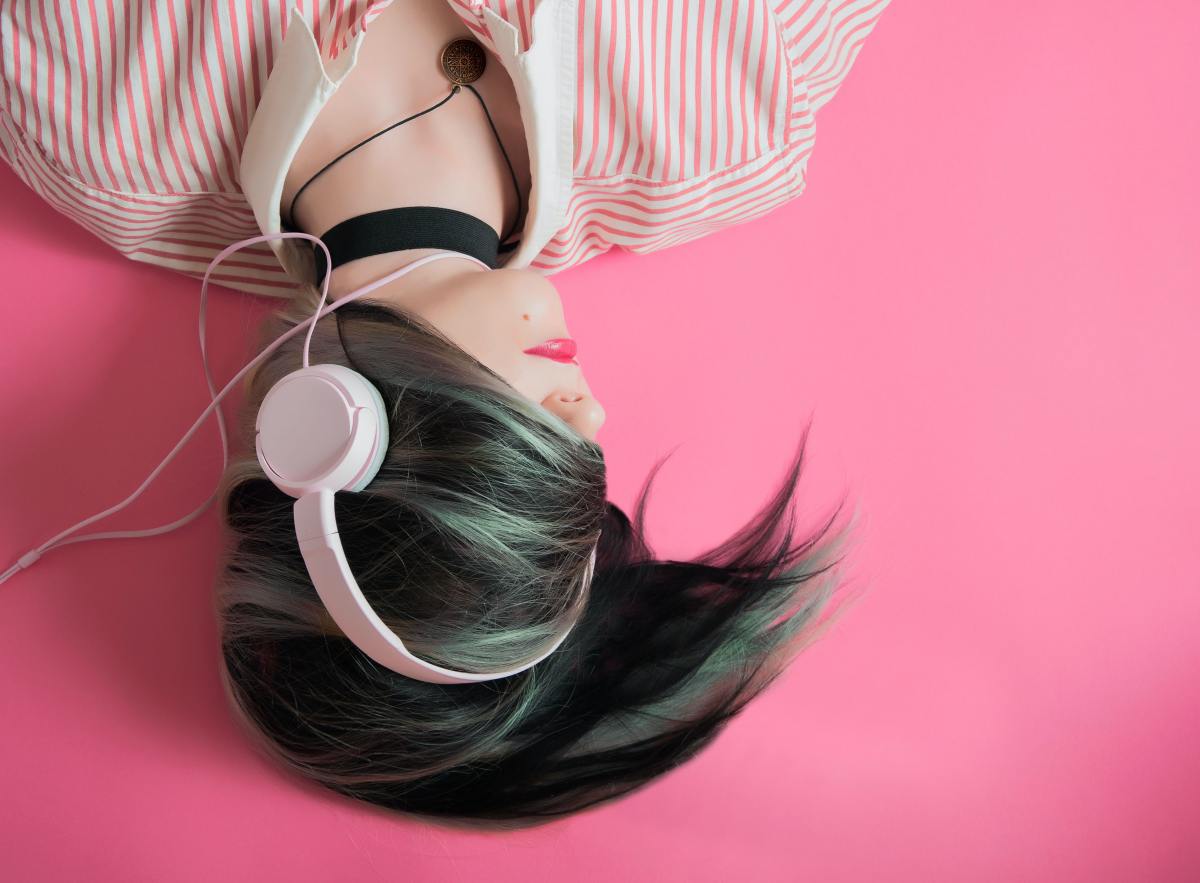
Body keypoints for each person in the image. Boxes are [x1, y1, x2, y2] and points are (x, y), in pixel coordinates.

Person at [0, 0, 889, 827]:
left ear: (333, 430)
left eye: (532, 459)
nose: (593, 413)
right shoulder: (729, 116)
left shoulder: (93, 117)